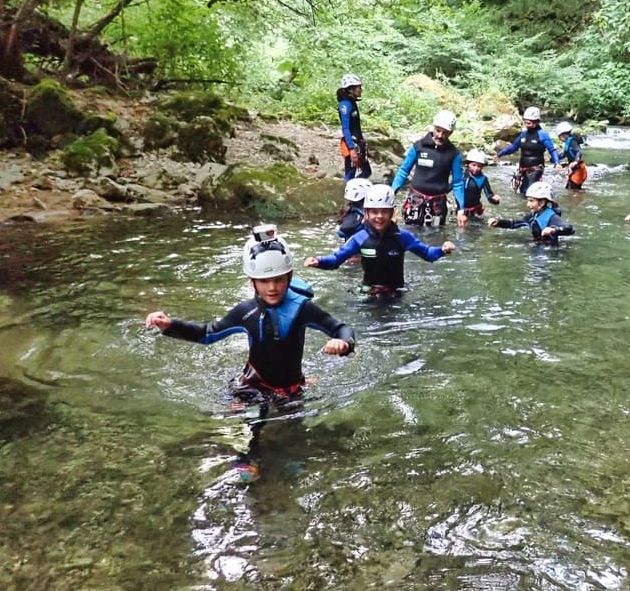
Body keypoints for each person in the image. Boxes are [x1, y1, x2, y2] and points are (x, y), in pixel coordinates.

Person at [144, 224, 355, 483]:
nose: (272, 287)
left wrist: (342, 343)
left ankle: (287, 457)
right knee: (254, 422)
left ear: (290, 276)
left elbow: (341, 328)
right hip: (253, 383)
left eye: (279, 279)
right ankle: (247, 457)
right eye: (264, 281)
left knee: (294, 425)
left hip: (290, 385)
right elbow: (208, 333)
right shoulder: (246, 312)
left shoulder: (302, 308)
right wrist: (170, 325)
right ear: (251, 281)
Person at [306, 184, 456, 299]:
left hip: (396, 293)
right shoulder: (360, 238)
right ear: (367, 213)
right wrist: (318, 261)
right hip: (369, 291)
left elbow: (427, 253)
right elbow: (336, 260)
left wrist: (442, 250)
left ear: (392, 213)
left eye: (384, 211)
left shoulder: (402, 237)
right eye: (374, 212)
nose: (379, 216)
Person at [391, 110, 467, 227]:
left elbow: (457, 183)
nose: (440, 136)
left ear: (451, 133)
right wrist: (391, 194)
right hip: (415, 201)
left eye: (445, 133)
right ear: (433, 127)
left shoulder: (454, 154)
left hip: (438, 205)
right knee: (411, 234)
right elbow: (403, 171)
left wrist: (461, 209)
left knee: (436, 236)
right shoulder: (418, 147)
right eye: (438, 130)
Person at [494, 106, 560, 196]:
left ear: (537, 121)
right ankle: (524, 209)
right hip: (523, 169)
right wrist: (499, 154)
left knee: (531, 190)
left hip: (536, 168)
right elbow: (513, 147)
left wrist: (557, 162)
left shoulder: (542, 135)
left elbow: (552, 150)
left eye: (529, 122)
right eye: (526, 122)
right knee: (523, 192)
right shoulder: (523, 134)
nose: (527, 124)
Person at [488, 181, 574, 246]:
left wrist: (553, 230)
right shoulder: (533, 215)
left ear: (542, 203)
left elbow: (570, 229)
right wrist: (498, 222)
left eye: (531, 201)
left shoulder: (552, 217)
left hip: (550, 251)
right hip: (538, 246)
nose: (528, 204)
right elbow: (515, 223)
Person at [337, 74, 372, 181]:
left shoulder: (351, 102)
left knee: (366, 171)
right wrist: (351, 149)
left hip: (358, 142)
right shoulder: (345, 105)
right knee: (350, 173)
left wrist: (362, 141)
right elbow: (345, 128)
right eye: (359, 87)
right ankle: (348, 191)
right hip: (351, 144)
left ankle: (355, 188)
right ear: (351, 89)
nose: (361, 90)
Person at [462, 149, 501, 220]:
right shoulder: (461, 176)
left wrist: (495, 200)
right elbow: (449, 188)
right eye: (473, 165)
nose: (476, 168)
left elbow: (489, 196)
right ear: (468, 164)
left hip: (476, 210)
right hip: (461, 211)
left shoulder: (483, 179)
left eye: (479, 166)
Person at [555, 121, 588, 190]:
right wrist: (553, 159)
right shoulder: (568, 143)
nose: (559, 138)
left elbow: (579, 151)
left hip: (578, 169)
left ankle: (578, 200)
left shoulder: (572, 141)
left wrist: (575, 161)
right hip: (575, 169)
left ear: (563, 134)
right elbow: (563, 155)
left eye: (559, 136)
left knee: (572, 190)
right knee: (571, 189)